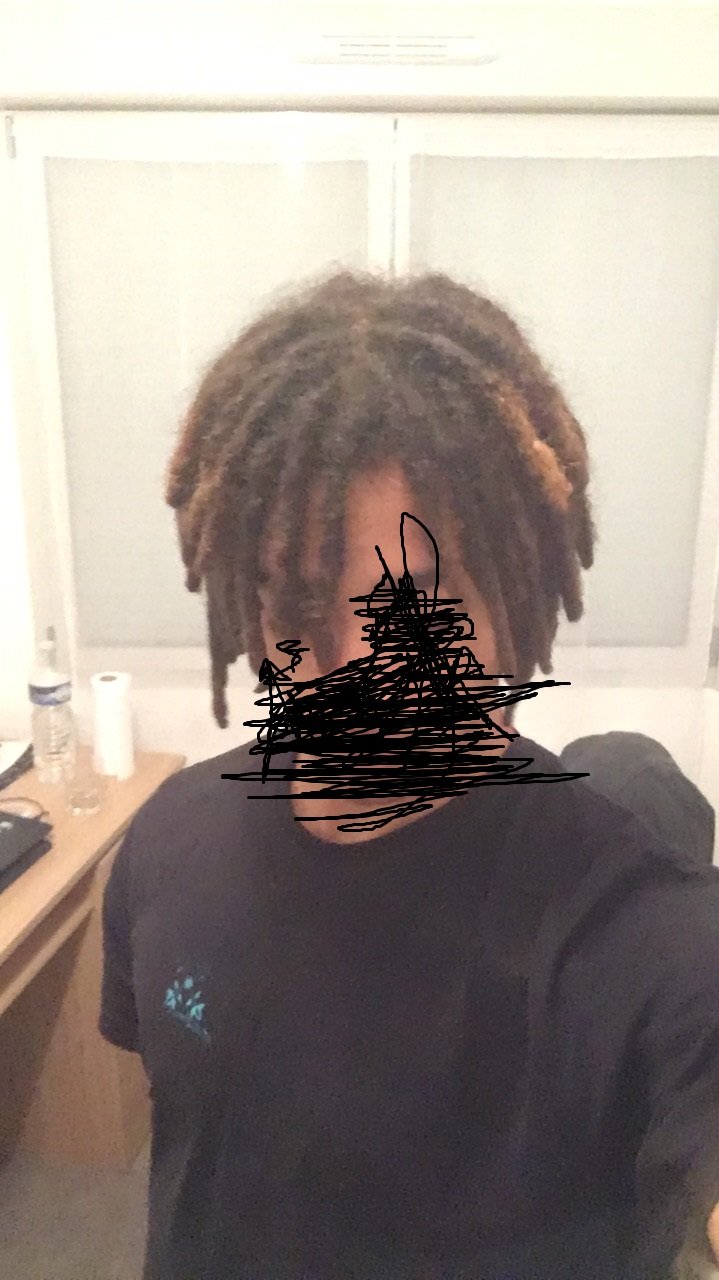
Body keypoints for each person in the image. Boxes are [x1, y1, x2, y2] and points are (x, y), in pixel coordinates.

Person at [99, 269, 719, 1280]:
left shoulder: (638, 936)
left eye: (421, 608)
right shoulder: (168, 839)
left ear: (517, 590)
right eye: (303, 600)